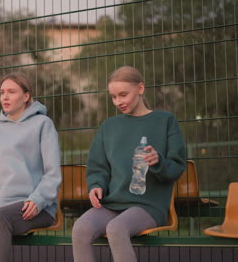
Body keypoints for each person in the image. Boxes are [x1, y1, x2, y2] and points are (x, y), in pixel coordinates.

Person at [72, 66, 186, 262]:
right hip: (113, 203)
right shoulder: (109, 126)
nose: (118, 102)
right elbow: (97, 167)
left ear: (140, 88)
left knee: (117, 228)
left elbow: (177, 167)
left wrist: (158, 161)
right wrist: (96, 185)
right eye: (113, 97)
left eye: (123, 95)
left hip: (148, 206)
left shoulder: (165, 121)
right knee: (80, 229)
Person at [0, 73, 61, 262]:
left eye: (11, 91)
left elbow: (52, 174)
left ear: (26, 96)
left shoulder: (43, 124)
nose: (5, 97)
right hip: (0, 204)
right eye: (2, 92)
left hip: (36, 205)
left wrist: (38, 199)